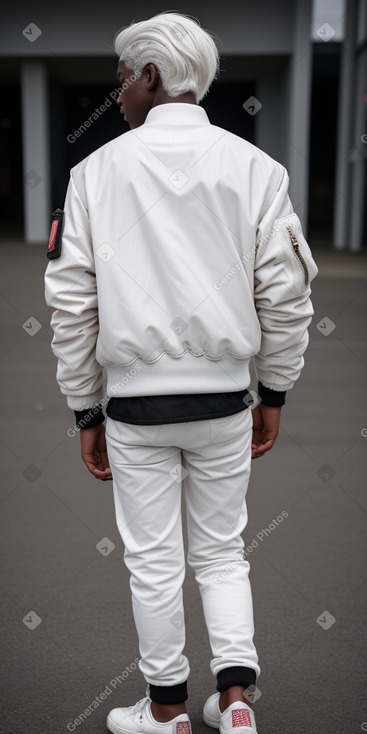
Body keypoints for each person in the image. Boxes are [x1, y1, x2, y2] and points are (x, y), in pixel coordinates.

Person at [44, 11, 318, 734]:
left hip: (134, 408)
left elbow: (70, 305)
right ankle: (234, 703)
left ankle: (165, 714)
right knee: (224, 550)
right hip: (227, 398)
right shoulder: (256, 169)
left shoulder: (94, 173)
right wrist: (275, 390)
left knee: (154, 563)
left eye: (122, 78)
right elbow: (286, 296)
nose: (118, 94)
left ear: (151, 76)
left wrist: (84, 410)